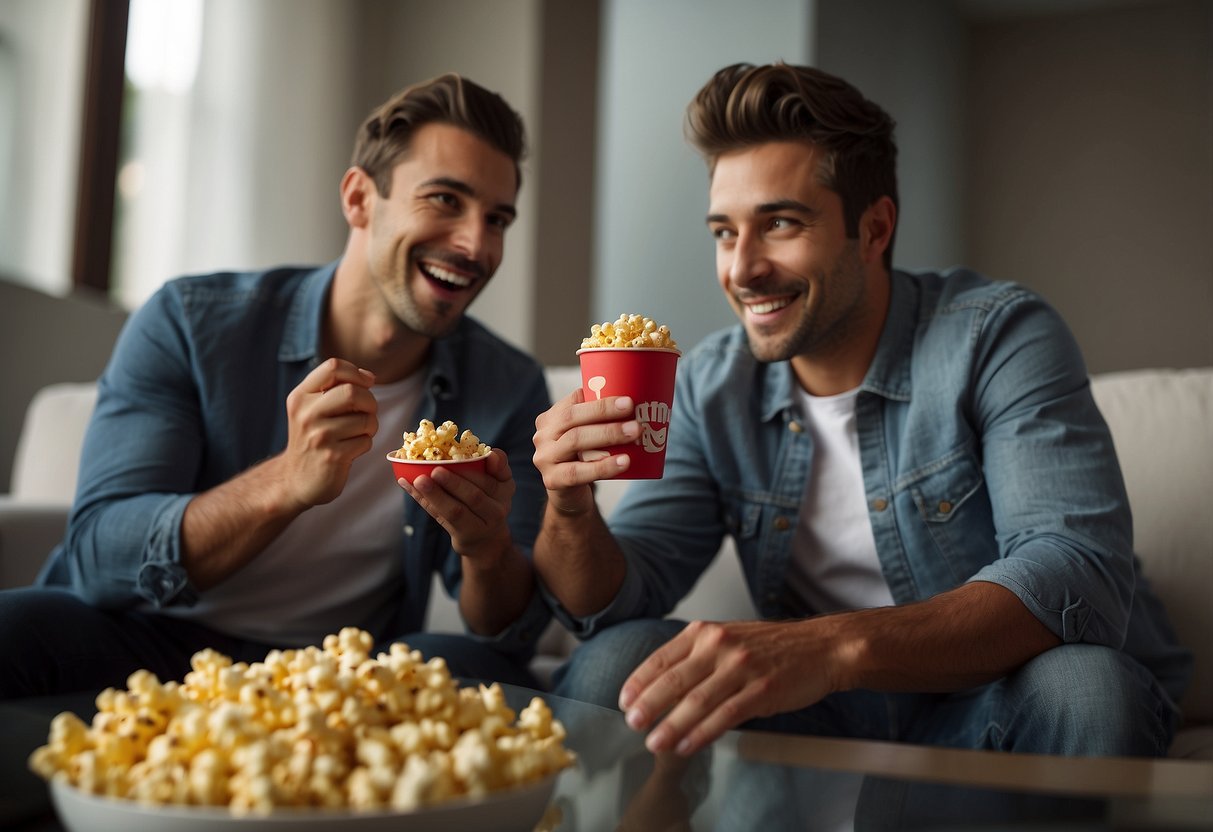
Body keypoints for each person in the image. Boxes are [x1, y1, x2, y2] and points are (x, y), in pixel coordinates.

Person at [531, 62, 1191, 758]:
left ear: (873, 230)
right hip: (825, 714)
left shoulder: (995, 335)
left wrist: (828, 647)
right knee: (616, 660)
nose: (741, 268)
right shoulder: (711, 386)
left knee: (1086, 688)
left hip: (992, 703)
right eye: (724, 232)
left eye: (779, 224)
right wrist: (569, 509)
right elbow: (613, 597)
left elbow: (1071, 570)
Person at [0, 73, 552, 698]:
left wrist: (486, 549)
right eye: (445, 200)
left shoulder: (508, 387)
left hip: (342, 679)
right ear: (359, 199)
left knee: (485, 676)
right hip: (146, 647)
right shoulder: (189, 320)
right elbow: (101, 556)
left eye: (497, 219)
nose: (475, 244)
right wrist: (286, 482)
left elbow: (511, 630)